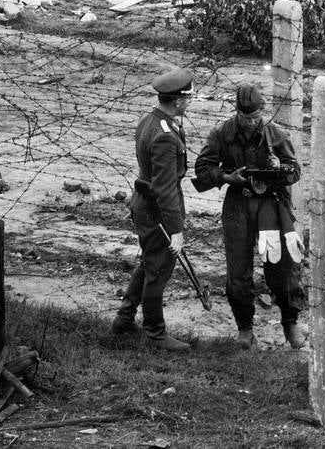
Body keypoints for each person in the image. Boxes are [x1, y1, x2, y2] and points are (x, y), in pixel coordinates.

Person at [193, 82, 305, 349]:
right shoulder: (223, 133)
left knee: (283, 266)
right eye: (246, 118)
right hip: (238, 204)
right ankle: (245, 328)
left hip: (271, 204)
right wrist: (226, 177)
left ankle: (290, 324)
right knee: (238, 269)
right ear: (237, 113)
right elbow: (202, 167)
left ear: (261, 113)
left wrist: (281, 167)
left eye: (256, 117)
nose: (251, 123)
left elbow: (295, 171)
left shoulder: (274, 134)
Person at [111, 66, 194, 352]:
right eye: (189, 97)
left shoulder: (151, 120)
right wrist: (176, 231)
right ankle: (155, 333)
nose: (191, 101)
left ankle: (124, 318)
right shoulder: (165, 136)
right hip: (157, 211)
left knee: (149, 262)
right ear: (179, 101)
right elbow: (165, 189)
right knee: (158, 269)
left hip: (144, 203)